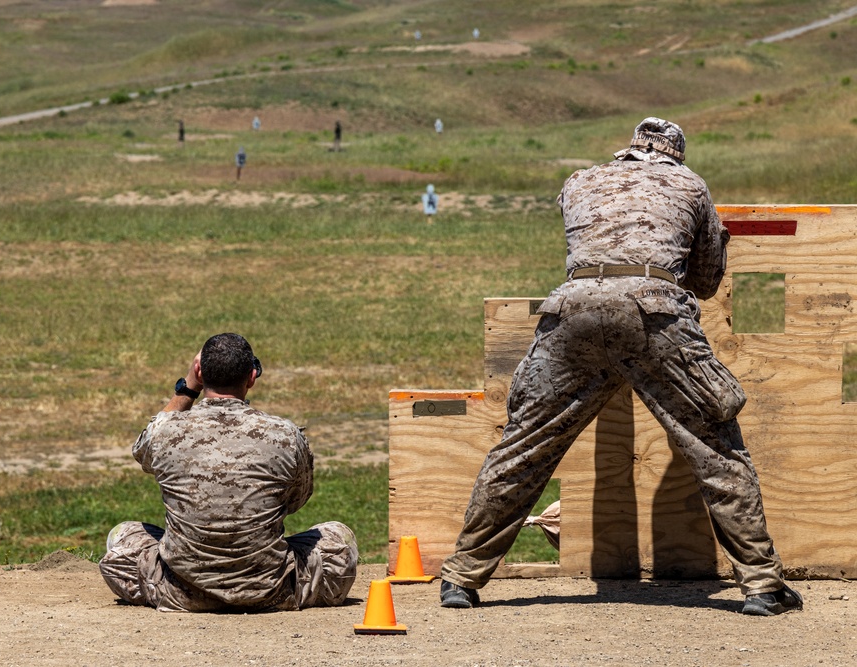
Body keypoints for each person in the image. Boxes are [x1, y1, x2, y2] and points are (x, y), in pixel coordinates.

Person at [439, 117, 803, 617]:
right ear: (675, 153)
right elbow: (704, 281)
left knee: (523, 446)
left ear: (628, 149)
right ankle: (762, 585)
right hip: (654, 312)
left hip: (570, 308)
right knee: (716, 445)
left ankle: (461, 576)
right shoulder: (689, 184)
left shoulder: (580, 181)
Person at [100, 333, 359, 612]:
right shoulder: (285, 435)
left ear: (199, 372)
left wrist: (187, 388)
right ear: (252, 376)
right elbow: (295, 502)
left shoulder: (165, 431)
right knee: (337, 536)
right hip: (270, 590)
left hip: (178, 592)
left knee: (123, 534)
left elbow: (142, 452)